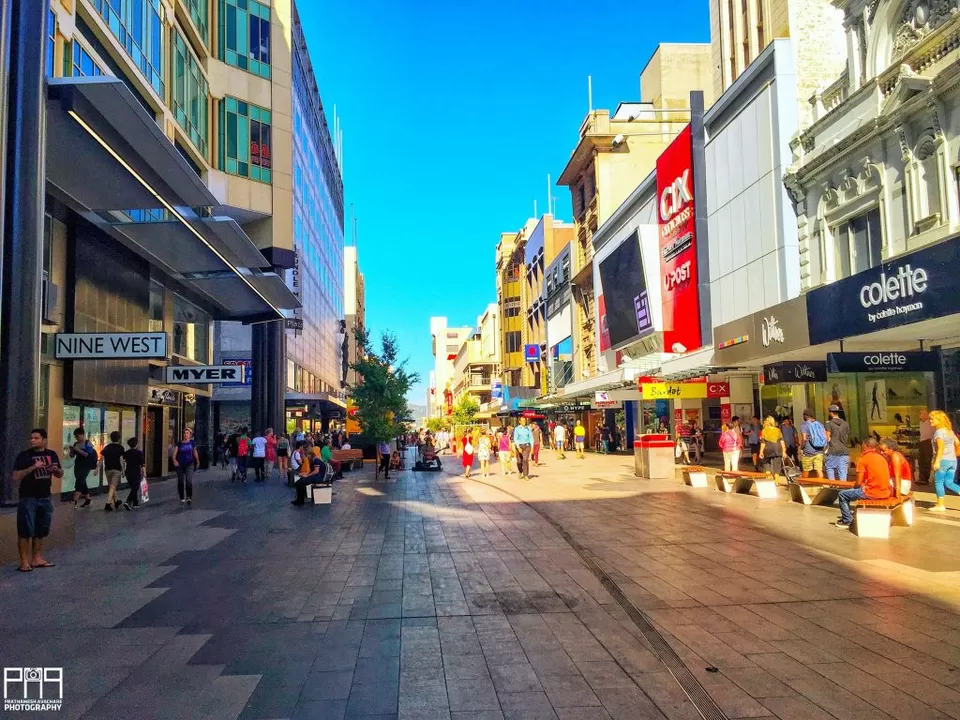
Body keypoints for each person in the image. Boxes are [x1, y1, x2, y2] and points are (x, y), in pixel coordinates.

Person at [12, 429, 64, 572]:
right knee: (25, 529)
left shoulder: (51, 454)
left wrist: (56, 471)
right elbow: (16, 475)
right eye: (32, 438)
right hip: (28, 497)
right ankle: (24, 561)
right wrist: (33, 467)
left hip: (45, 496)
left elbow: (60, 473)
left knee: (41, 529)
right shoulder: (25, 456)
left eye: (36, 438)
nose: (32, 440)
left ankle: (36, 558)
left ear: (44, 440)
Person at [836, 438, 891, 529]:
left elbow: (858, 482)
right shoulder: (881, 458)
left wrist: (855, 486)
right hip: (885, 491)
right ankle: (851, 516)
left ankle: (847, 520)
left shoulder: (863, 459)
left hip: (872, 492)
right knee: (855, 491)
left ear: (865, 446)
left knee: (842, 495)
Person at [929, 410, 960, 512]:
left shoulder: (938, 432)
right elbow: (957, 442)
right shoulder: (949, 430)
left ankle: (940, 505)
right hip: (953, 460)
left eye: (933, 419)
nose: (930, 421)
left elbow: (940, 448)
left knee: (939, 482)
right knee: (949, 483)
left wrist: (937, 462)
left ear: (940, 420)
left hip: (943, 461)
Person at [69, 428, 96, 508]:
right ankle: (88, 499)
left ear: (82, 435)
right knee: (81, 480)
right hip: (78, 465)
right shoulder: (75, 444)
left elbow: (87, 455)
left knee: (80, 480)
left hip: (86, 465)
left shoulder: (88, 443)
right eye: (75, 437)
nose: (76, 438)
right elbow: (72, 456)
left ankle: (75, 499)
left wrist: (77, 449)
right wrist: (72, 451)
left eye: (78, 436)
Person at [171, 428, 199, 505]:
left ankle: (189, 497)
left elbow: (195, 452)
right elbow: (174, 453)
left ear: (190, 435)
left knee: (188, 480)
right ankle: (182, 497)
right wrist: (174, 460)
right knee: (180, 481)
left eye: (187, 433)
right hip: (180, 464)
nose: (185, 434)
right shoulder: (179, 443)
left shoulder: (192, 443)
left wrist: (198, 461)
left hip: (190, 464)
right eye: (184, 433)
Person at [825, 404, 851, 481]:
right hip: (844, 451)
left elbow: (827, 438)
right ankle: (842, 489)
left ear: (831, 413)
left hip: (833, 450)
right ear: (838, 412)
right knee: (843, 472)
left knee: (830, 468)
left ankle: (832, 488)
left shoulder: (829, 424)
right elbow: (847, 436)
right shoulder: (845, 423)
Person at [101, 431, 125, 512]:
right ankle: (108, 503)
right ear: (119, 438)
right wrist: (123, 469)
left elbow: (102, 458)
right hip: (116, 469)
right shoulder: (120, 448)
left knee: (111, 486)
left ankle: (116, 501)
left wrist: (97, 468)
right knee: (113, 486)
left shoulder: (107, 447)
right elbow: (121, 459)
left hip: (107, 469)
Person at [799, 409, 827, 479]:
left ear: (805, 416)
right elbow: (824, 436)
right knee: (819, 470)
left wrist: (801, 448)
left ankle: (803, 484)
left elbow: (804, 439)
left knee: (806, 470)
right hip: (819, 451)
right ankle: (821, 486)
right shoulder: (819, 424)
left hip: (808, 452)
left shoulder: (804, 425)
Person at [123, 437, 145, 510]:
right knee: (135, 487)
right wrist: (144, 473)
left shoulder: (126, 453)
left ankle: (135, 503)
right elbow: (142, 464)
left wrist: (123, 471)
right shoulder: (139, 453)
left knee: (133, 487)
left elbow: (124, 462)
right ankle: (128, 501)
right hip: (136, 472)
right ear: (136, 444)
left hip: (128, 472)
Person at [918, 409, 933, 485]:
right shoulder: (921, 423)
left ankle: (925, 479)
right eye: (920, 414)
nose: (920, 415)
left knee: (927, 461)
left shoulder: (931, 422)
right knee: (921, 461)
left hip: (928, 442)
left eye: (922, 414)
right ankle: (921, 478)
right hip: (922, 442)